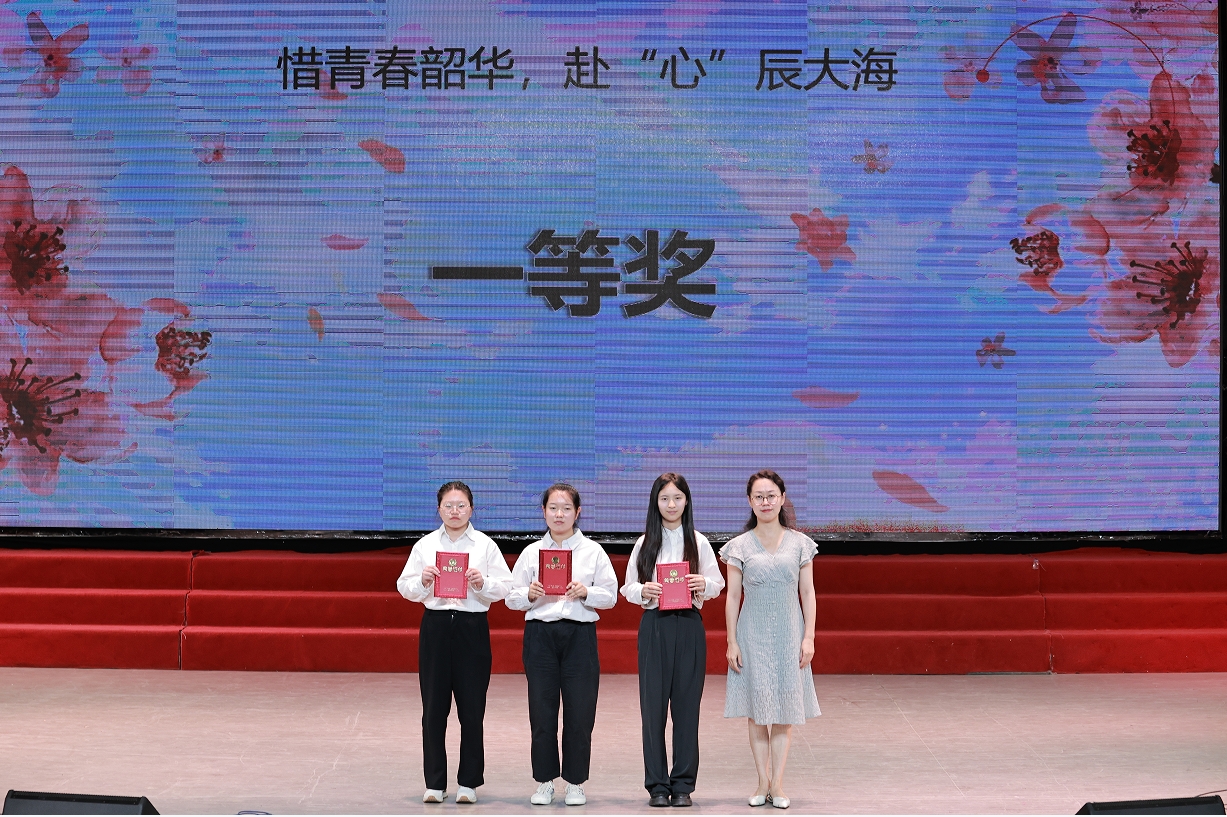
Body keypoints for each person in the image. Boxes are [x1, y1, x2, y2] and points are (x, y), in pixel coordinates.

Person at [395, 481, 513, 805]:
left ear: (471, 509)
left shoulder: (485, 546)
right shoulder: (425, 545)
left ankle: (468, 783)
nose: (455, 511)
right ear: (439, 510)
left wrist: (482, 583)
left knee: (472, 709)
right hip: (435, 627)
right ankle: (435, 783)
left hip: (471, 628)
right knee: (433, 709)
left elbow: (506, 586)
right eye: (449, 505)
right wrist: (422, 581)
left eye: (461, 505)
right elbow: (404, 586)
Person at [507, 483, 619, 807]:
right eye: (553, 508)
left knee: (580, 713)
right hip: (540, 637)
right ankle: (544, 781)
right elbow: (511, 597)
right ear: (543, 512)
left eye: (566, 508)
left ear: (577, 512)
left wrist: (587, 592)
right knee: (542, 712)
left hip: (579, 636)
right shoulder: (531, 553)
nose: (559, 514)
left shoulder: (593, 552)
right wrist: (529, 594)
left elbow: (611, 596)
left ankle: (575, 782)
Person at [621, 473, 725, 808]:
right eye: (664, 498)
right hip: (654, 625)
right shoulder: (644, 542)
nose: (671, 504)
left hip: (689, 625)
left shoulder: (698, 541)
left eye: (677, 498)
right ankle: (657, 786)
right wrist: (644, 590)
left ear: (686, 501)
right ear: (656, 502)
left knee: (686, 709)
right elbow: (628, 587)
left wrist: (703, 584)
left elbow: (717, 583)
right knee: (652, 710)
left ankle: (682, 785)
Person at [721, 470, 820, 810]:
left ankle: (777, 783)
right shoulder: (738, 546)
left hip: (790, 635)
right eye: (759, 496)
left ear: (782, 498)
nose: (765, 502)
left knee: (784, 711)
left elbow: (808, 593)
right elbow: (733, 597)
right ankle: (761, 781)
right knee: (757, 711)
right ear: (750, 501)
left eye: (771, 495)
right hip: (753, 636)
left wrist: (809, 637)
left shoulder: (801, 543)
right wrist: (732, 641)